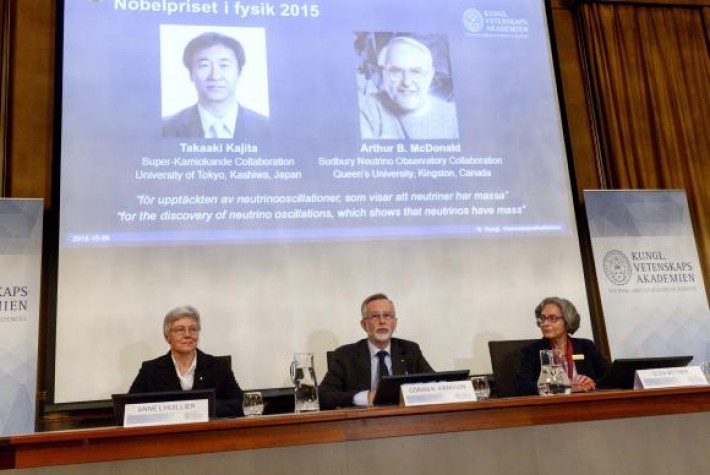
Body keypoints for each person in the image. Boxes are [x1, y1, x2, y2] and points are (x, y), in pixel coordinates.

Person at [319, 293, 433, 409]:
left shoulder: (410, 350)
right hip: (362, 423)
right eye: (375, 316)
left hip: (404, 421)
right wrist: (365, 397)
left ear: (394, 322)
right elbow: (323, 396)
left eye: (387, 315)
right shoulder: (345, 355)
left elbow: (436, 384)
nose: (382, 321)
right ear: (364, 325)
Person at [129, 305, 243, 417]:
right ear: (167, 336)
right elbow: (130, 408)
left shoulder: (219, 366)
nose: (188, 335)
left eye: (193, 329)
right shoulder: (151, 370)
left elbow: (239, 404)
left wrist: (200, 408)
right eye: (180, 330)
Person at [162, 32, 269, 140]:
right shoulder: (166, 128)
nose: (215, 76)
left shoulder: (267, 128)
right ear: (191, 74)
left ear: (239, 72)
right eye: (204, 65)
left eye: (224, 65)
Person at [359, 36, 459, 140]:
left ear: (430, 75)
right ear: (384, 73)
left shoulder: (453, 117)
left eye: (416, 72)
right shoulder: (368, 108)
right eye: (396, 71)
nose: (406, 82)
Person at [515, 297, 610, 396]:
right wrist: (561, 388)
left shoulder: (586, 346)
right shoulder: (531, 351)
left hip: (588, 403)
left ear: (567, 320)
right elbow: (522, 385)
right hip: (551, 407)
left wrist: (592, 383)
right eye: (542, 318)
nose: (545, 324)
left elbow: (609, 377)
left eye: (552, 318)